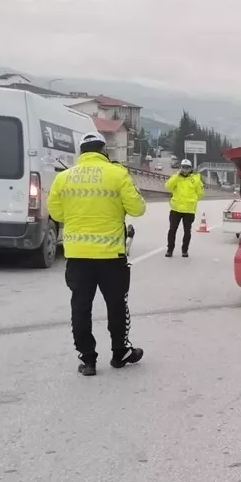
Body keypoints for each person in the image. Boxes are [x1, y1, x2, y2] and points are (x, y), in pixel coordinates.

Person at [47, 133, 146, 377]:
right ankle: (120, 353)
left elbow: (56, 214)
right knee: (116, 304)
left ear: (81, 152)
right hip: (111, 254)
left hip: (78, 256)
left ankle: (88, 360)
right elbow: (138, 208)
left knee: (80, 307)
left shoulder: (63, 178)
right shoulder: (117, 174)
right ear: (104, 151)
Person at [165, 159, 204, 258]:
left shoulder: (195, 179)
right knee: (172, 230)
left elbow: (200, 193)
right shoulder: (176, 177)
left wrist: (193, 200)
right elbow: (168, 186)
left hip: (189, 210)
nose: (185, 169)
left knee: (187, 231)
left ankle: (185, 250)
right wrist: (177, 176)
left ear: (190, 168)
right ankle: (170, 250)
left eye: (187, 167)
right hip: (176, 209)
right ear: (180, 168)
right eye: (183, 167)